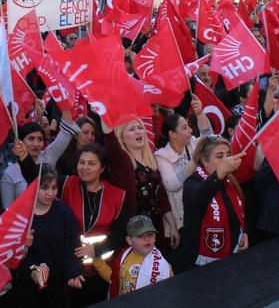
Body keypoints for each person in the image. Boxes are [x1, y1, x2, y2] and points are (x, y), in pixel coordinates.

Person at [61, 144, 128, 306]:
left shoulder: (117, 196)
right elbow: (37, 176)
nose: (85, 167)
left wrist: (96, 249)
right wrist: (23, 157)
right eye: (81, 162)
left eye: (91, 163)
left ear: (102, 168)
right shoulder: (66, 184)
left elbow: (120, 234)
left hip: (102, 272)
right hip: (70, 273)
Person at [102, 119, 179, 247]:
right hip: (134, 233)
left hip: (155, 229)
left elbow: (162, 197)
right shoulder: (121, 161)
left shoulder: (151, 160)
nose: (138, 131)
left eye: (140, 128)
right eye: (132, 129)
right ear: (123, 139)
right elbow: (110, 140)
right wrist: (103, 112)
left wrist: (173, 226)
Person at [13, 165, 82, 307]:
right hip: (29, 287)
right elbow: (11, 252)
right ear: (33, 187)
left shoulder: (64, 212)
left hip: (59, 285)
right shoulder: (20, 215)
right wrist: (31, 270)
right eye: (44, 188)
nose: (50, 193)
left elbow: (73, 246)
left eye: (54, 187)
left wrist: (73, 272)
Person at [177, 135, 247, 271]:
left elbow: (239, 212)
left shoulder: (230, 181)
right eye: (220, 156)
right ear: (204, 161)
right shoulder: (192, 182)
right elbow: (200, 196)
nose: (226, 160)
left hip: (232, 258)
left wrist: (244, 232)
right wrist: (220, 173)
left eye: (228, 155)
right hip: (200, 266)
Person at [0, 116, 79, 210]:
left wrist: (64, 105)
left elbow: (67, 132)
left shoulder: (49, 156)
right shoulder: (9, 173)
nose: (36, 144)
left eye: (40, 139)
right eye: (31, 139)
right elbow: (7, 209)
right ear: (20, 142)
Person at [155, 107, 208, 240]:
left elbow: (209, 139)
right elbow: (171, 185)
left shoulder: (192, 144)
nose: (190, 130)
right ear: (172, 134)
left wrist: (200, 114)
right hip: (183, 221)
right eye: (184, 127)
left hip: (202, 211)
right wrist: (194, 160)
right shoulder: (161, 155)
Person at [94, 215, 173, 298]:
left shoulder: (163, 266)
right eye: (140, 236)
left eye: (150, 234)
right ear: (129, 240)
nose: (147, 239)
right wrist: (96, 259)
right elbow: (113, 279)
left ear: (155, 237)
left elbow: (169, 293)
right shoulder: (123, 256)